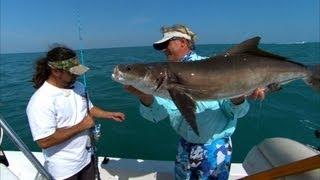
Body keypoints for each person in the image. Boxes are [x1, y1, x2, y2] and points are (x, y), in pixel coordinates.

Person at [125, 24, 265, 179]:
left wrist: (239, 95)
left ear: (183, 43)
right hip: (185, 146)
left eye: (166, 44)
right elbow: (157, 116)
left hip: (214, 148)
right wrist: (145, 96)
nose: (163, 49)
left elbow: (235, 112)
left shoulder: (215, 66)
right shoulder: (162, 76)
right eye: (161, 46)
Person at [26, 46, 125, 180]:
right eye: (72, 72)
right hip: (64, 170)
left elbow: (88, 107)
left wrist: (108, 114)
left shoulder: (78, 86)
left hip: (87, 159)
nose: (77, 75)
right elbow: (44, 141)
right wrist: (82, 126)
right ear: (56, 71)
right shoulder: (41, 100)